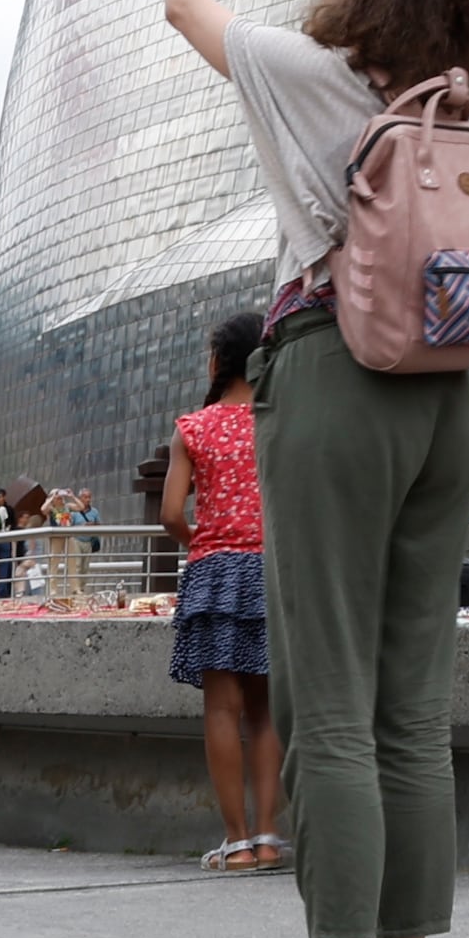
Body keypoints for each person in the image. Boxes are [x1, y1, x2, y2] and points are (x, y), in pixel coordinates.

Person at [160, 0, 469, 938]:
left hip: (333, 380)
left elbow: (181, 4)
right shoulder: (455, 93)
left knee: (326, 702)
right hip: (445, 401)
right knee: (414, 704)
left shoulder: (295, 69)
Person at [167, 310, 284, 870]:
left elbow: (170, 513)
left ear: (216, 362)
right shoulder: (280, 421)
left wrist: (200, 537)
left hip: (215, 573)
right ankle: (267, 836)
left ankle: (234, 842)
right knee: (265, 712)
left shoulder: (193, 428)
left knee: (222, 709)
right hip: (271, 572)